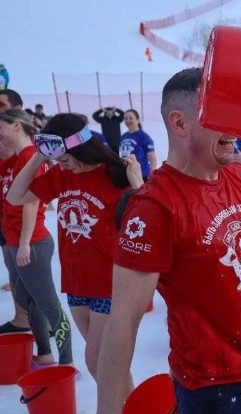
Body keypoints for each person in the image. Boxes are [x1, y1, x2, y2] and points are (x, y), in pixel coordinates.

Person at [86, 68, 241, 414]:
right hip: (217, 389)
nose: (235, 128)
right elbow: (122, 322)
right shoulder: (154, 208)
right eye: (222, 114)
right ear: (180, 123)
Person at [8, 113, 143, 384]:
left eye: (65, 159)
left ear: (81, 149)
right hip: (76, 283)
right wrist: (39, 157)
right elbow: (15, 196)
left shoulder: (116, 174)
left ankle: (119, 411)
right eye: (58, 160)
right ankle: (127, 409)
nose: (63, 165)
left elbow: (145, 223)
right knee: (104, 366)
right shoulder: (63, 175)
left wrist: (138, 184)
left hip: (108, 282)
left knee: (97, 360)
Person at [0, 109, 73, 366]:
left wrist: (23, 244)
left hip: (31, 242)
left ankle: (66, 362)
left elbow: (31, 202)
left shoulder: (31, 157)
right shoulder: (16, 158)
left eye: (0, 127)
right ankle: (45, 354)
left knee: (48, 304)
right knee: (27, 300)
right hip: (14, 241)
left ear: (16, 126)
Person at [0, 88, 28, 330]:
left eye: (1, 105)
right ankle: (21, 317)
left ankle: (44, 323)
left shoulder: (23, 146)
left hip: (18, 216)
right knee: (11, 264)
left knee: (29, 274)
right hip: (4, 214)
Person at [119, 109, 157, 180]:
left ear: (137, 120)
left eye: (131, 118)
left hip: (142, 176)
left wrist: (153, 174)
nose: (128, 121)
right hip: (127, 175)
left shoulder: (144, 137)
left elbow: (152, 157)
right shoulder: (123, 137)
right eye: (126, 118)